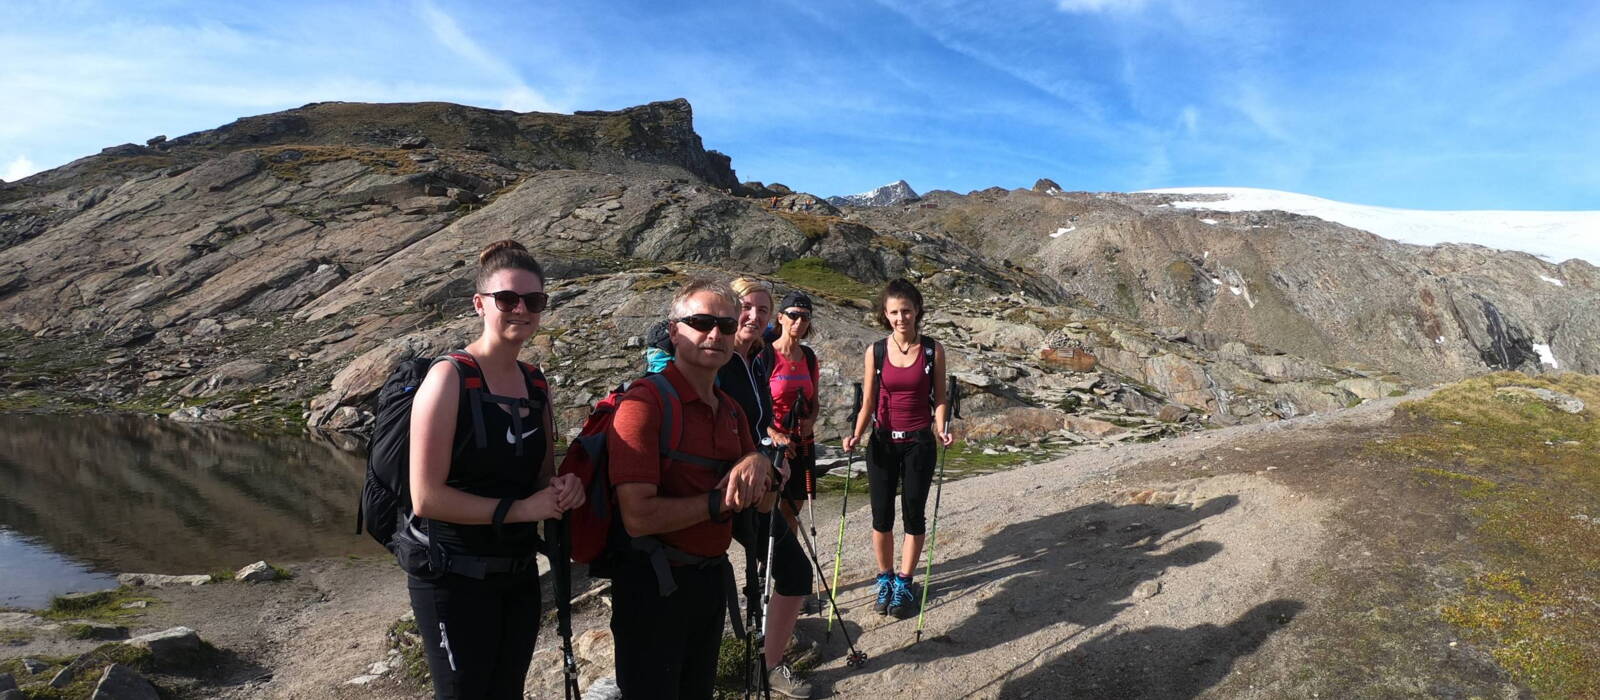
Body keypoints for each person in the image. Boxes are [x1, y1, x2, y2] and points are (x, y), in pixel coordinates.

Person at [404, 239, 586, 699]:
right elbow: (426, 497)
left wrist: (566, 488)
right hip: (451, 576)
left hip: (517, 574)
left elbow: (543, 475)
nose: (521, 309)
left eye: (534, 301)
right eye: (508, 299)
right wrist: (524, 510)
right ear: (480, 304)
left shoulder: (535, 382)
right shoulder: (450, 377)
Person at [607, 278, 772, 699]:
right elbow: (638, 516)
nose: (715, 334)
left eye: (726, 325)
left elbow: (765, 496)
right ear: (674, 330)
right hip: (652, 587)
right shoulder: (644, 405)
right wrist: (720, 502)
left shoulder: (731, 409)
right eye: (701, 322)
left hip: (709, 580)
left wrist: (759, 460)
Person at [842, 278, 953, 620]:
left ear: (917, 311)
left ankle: (905, 581)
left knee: (914, 515)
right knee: (881, 516)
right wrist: (856, 434)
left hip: (919, 441)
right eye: (894, 312)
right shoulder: (875, 351)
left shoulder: (933, 350)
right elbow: (869, 401)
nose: (901, 317)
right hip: (883, 440)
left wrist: (941, 426)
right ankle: (885, 579)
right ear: (885, 315)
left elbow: (940, 397)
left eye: (906, 311)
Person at [727, 279, 814, 698]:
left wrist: (768, 444)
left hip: (756, 490)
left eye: (762, 309)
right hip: (716, 494)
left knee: (793, 571)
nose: (754, 316)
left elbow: (755, 422)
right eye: (746, 307)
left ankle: (770, 663)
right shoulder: (719, 359)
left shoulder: (753, 358)